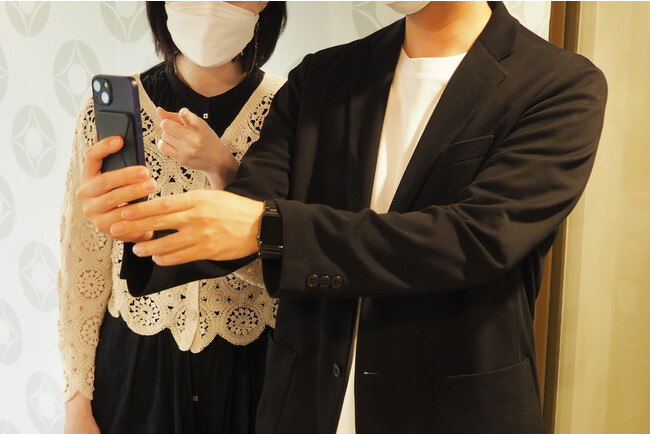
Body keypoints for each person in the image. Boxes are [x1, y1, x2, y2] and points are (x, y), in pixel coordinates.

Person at [104, 1, 608, 433]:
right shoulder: (323, 76)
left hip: (454, 409)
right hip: (304, 406)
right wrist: (135, 220)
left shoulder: (559, 86)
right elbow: (249, 204)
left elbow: (476, 239)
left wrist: (270, 228)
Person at [57, 2, 286, 433]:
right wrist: (76, 402)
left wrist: (225, 169)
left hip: (251, 371)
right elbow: (82, 267)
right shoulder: (105, 114)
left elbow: (292, 268)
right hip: (133, 371)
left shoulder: (289, 110)